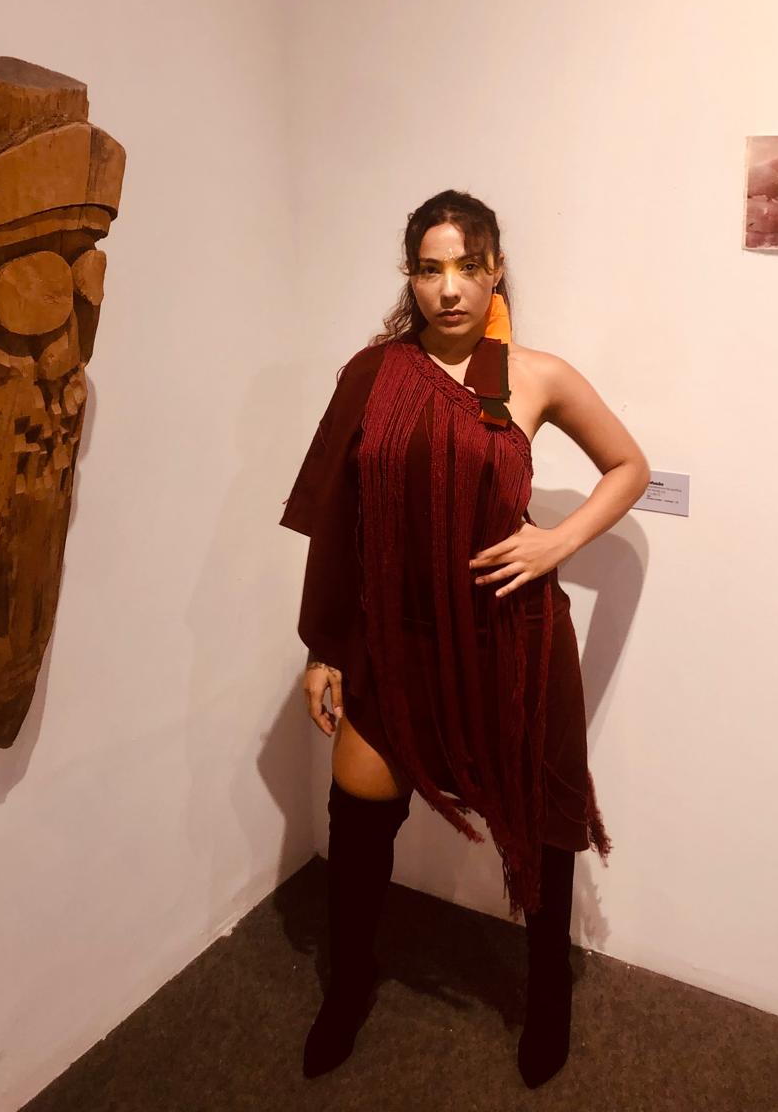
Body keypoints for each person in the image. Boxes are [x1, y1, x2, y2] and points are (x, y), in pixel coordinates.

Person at [279, 189, 650, 1087]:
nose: (449, 288)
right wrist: (325, 648)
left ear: (495, 271)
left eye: (467, 266)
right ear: (409, 276)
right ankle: (349, 984)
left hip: (510, 639)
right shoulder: (372, 374)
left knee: (543, 822)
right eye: (429, 268)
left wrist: (558, 541)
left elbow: (628, 466)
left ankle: (547, 995)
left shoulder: (537, 376)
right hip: (394, 639)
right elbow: (340, 519)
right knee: (359, 814)